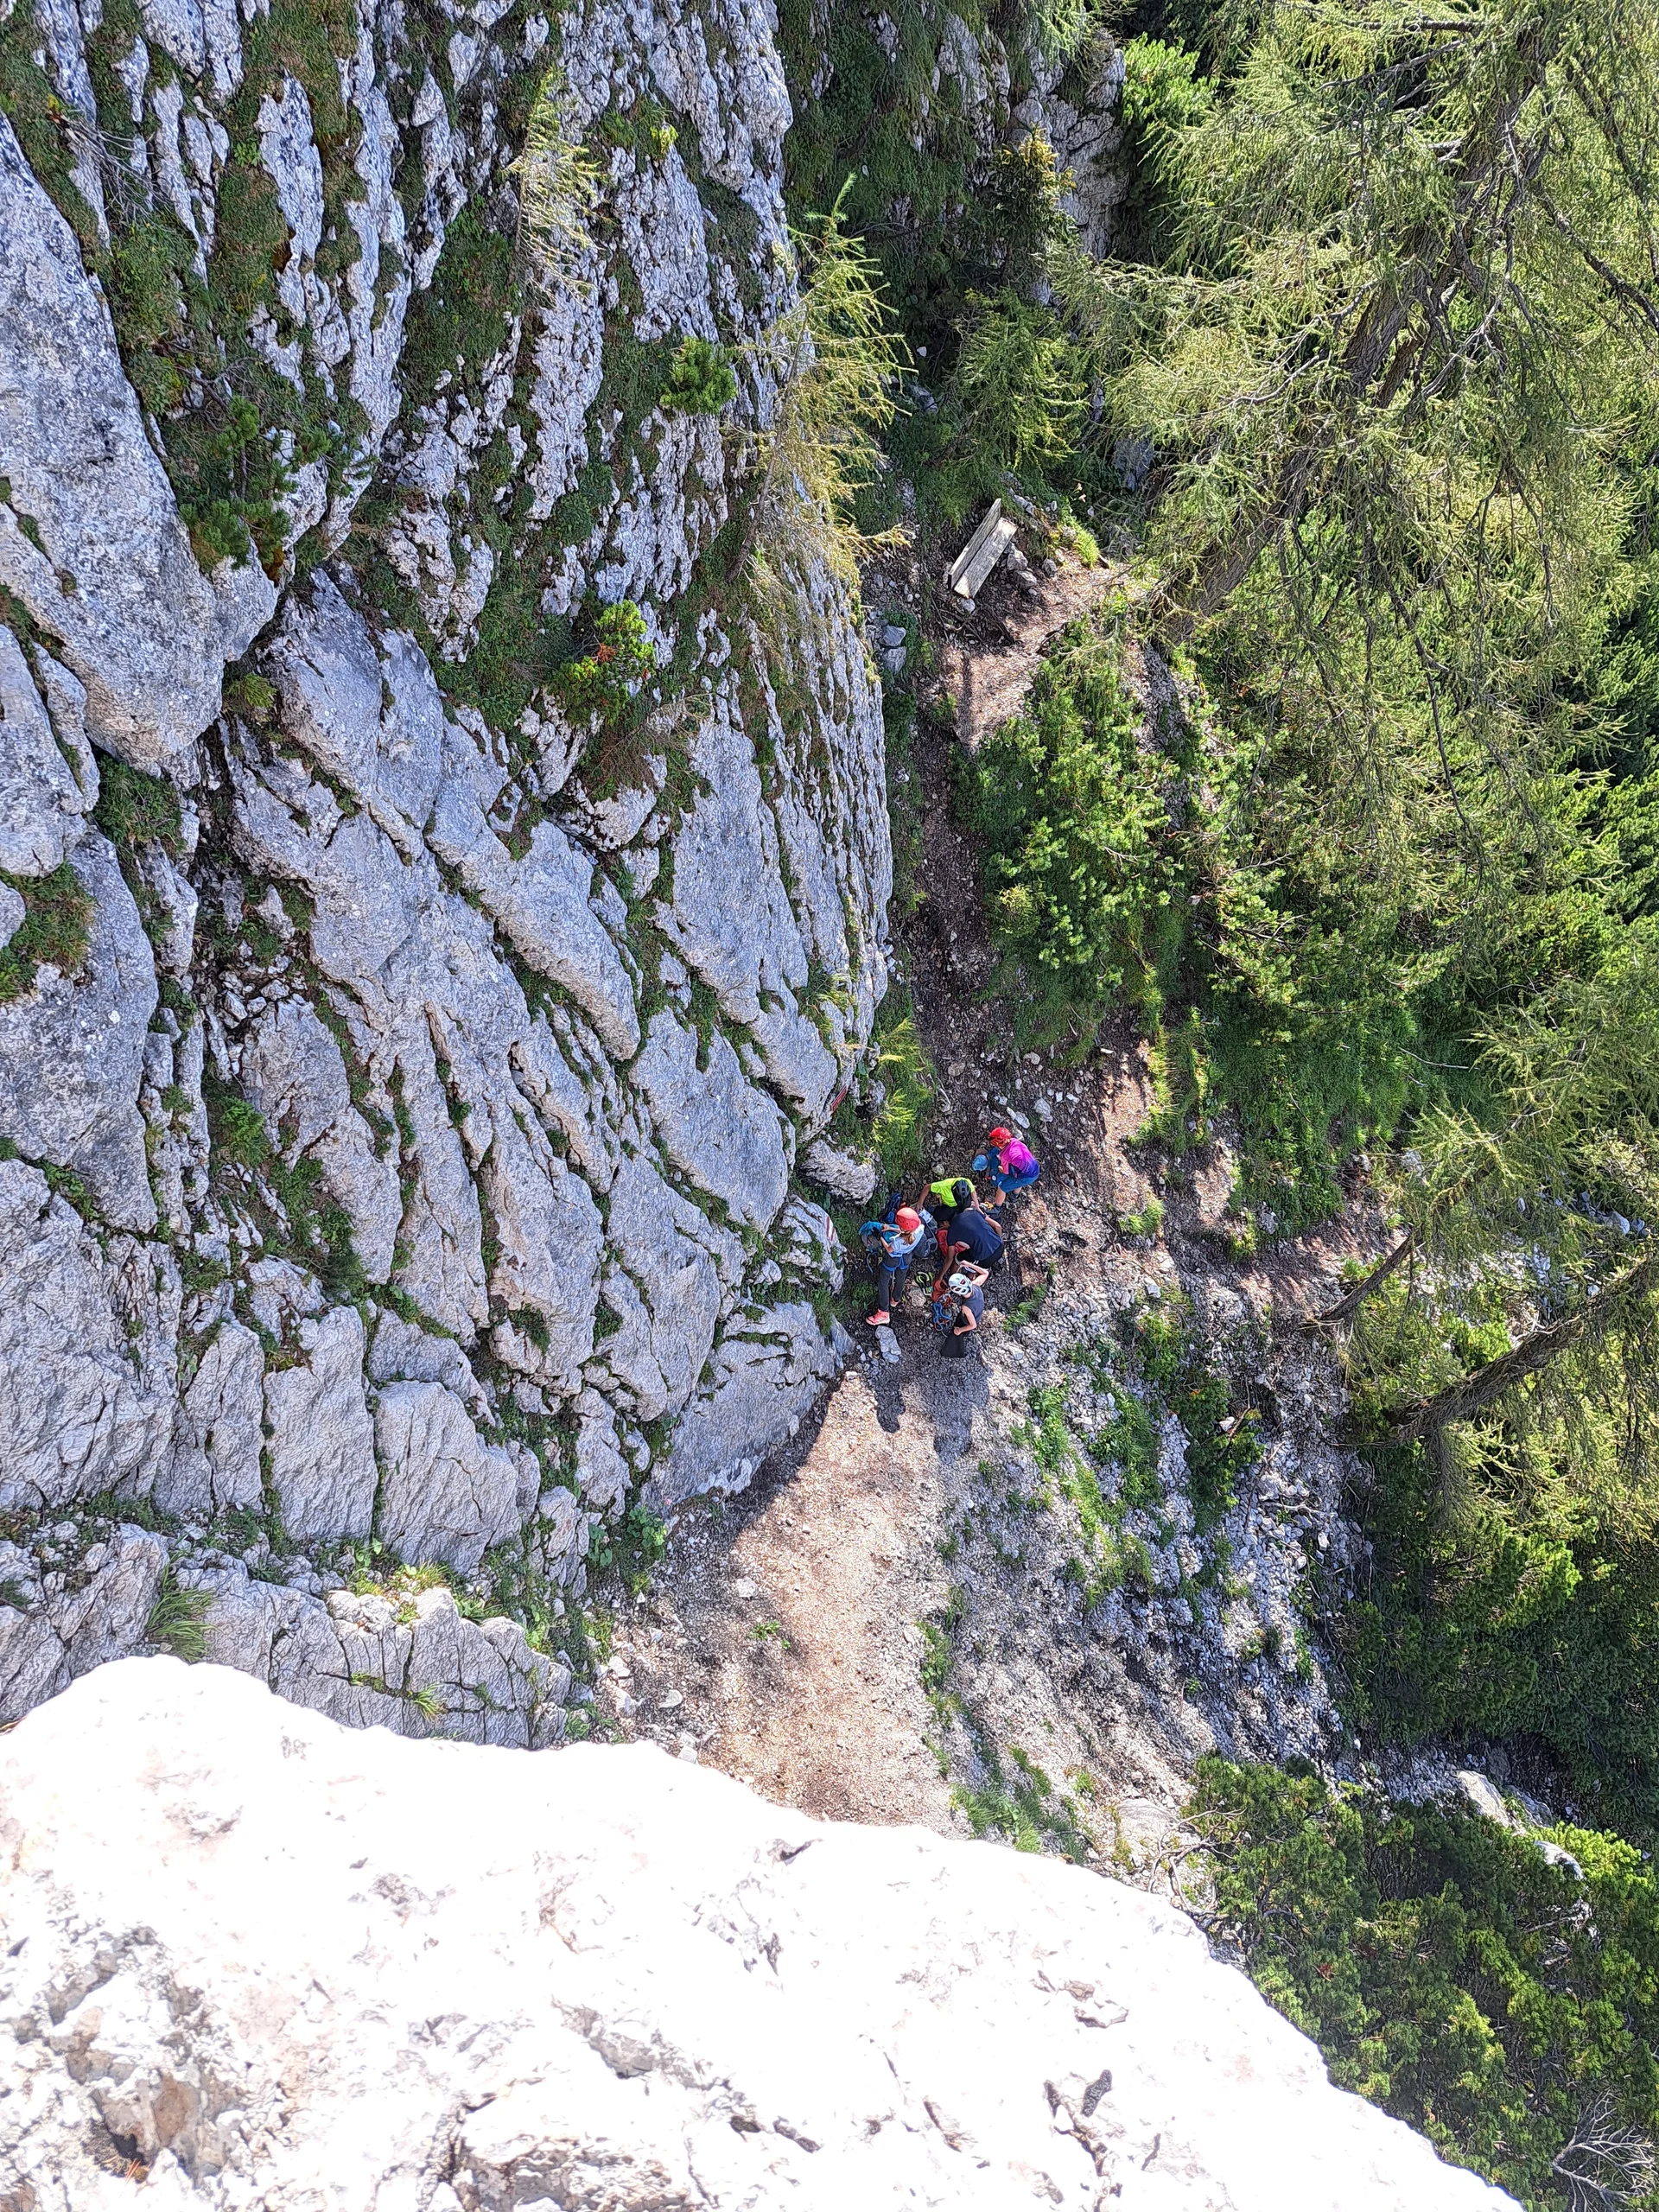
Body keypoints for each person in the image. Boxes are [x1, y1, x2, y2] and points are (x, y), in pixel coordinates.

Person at [931, 1179, 1004, 1290]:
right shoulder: (975, 1212)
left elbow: (950, 1258)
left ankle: (953, 1281)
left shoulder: (953, 1230)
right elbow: (997, 1226)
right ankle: (973, 1271)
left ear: (946, 1222)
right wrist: (998, 1240)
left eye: (942, 1224)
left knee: (958, 1259)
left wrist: (939, 1276)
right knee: (973, 1256)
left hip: (986, 1256)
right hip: (1000, 1246)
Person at [865, 1205, 926, 1325]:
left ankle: (884, 1312)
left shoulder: (898, 1242)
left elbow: (889, 1249)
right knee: (901, 1276)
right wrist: (891, 1228)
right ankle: (895, 1298)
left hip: (893, 1259)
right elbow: (906, 1232)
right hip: (907, 1257)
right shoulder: (920, 1229)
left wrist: (880, 1236)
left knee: (883, 1281)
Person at [974, 1126, 1039, 1212]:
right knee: (1018, 1181)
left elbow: (1005, 1171)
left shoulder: (1006, 1155)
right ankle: (1014, 1196)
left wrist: (1000, 1168)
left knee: (1002, 1187)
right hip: (1035, 1168)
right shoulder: (1014, 1141)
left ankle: (996, 1208)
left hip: (1026, 1176)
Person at [940, 1263, 988, 1359]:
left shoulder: (966, 1308)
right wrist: (968, 1264)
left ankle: (952, 1349)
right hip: (977, 1311)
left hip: (967, 1320)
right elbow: (985, 1273)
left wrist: (960, 1330)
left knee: (958, 1329)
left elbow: (973, 1325)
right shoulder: (975, 1285)